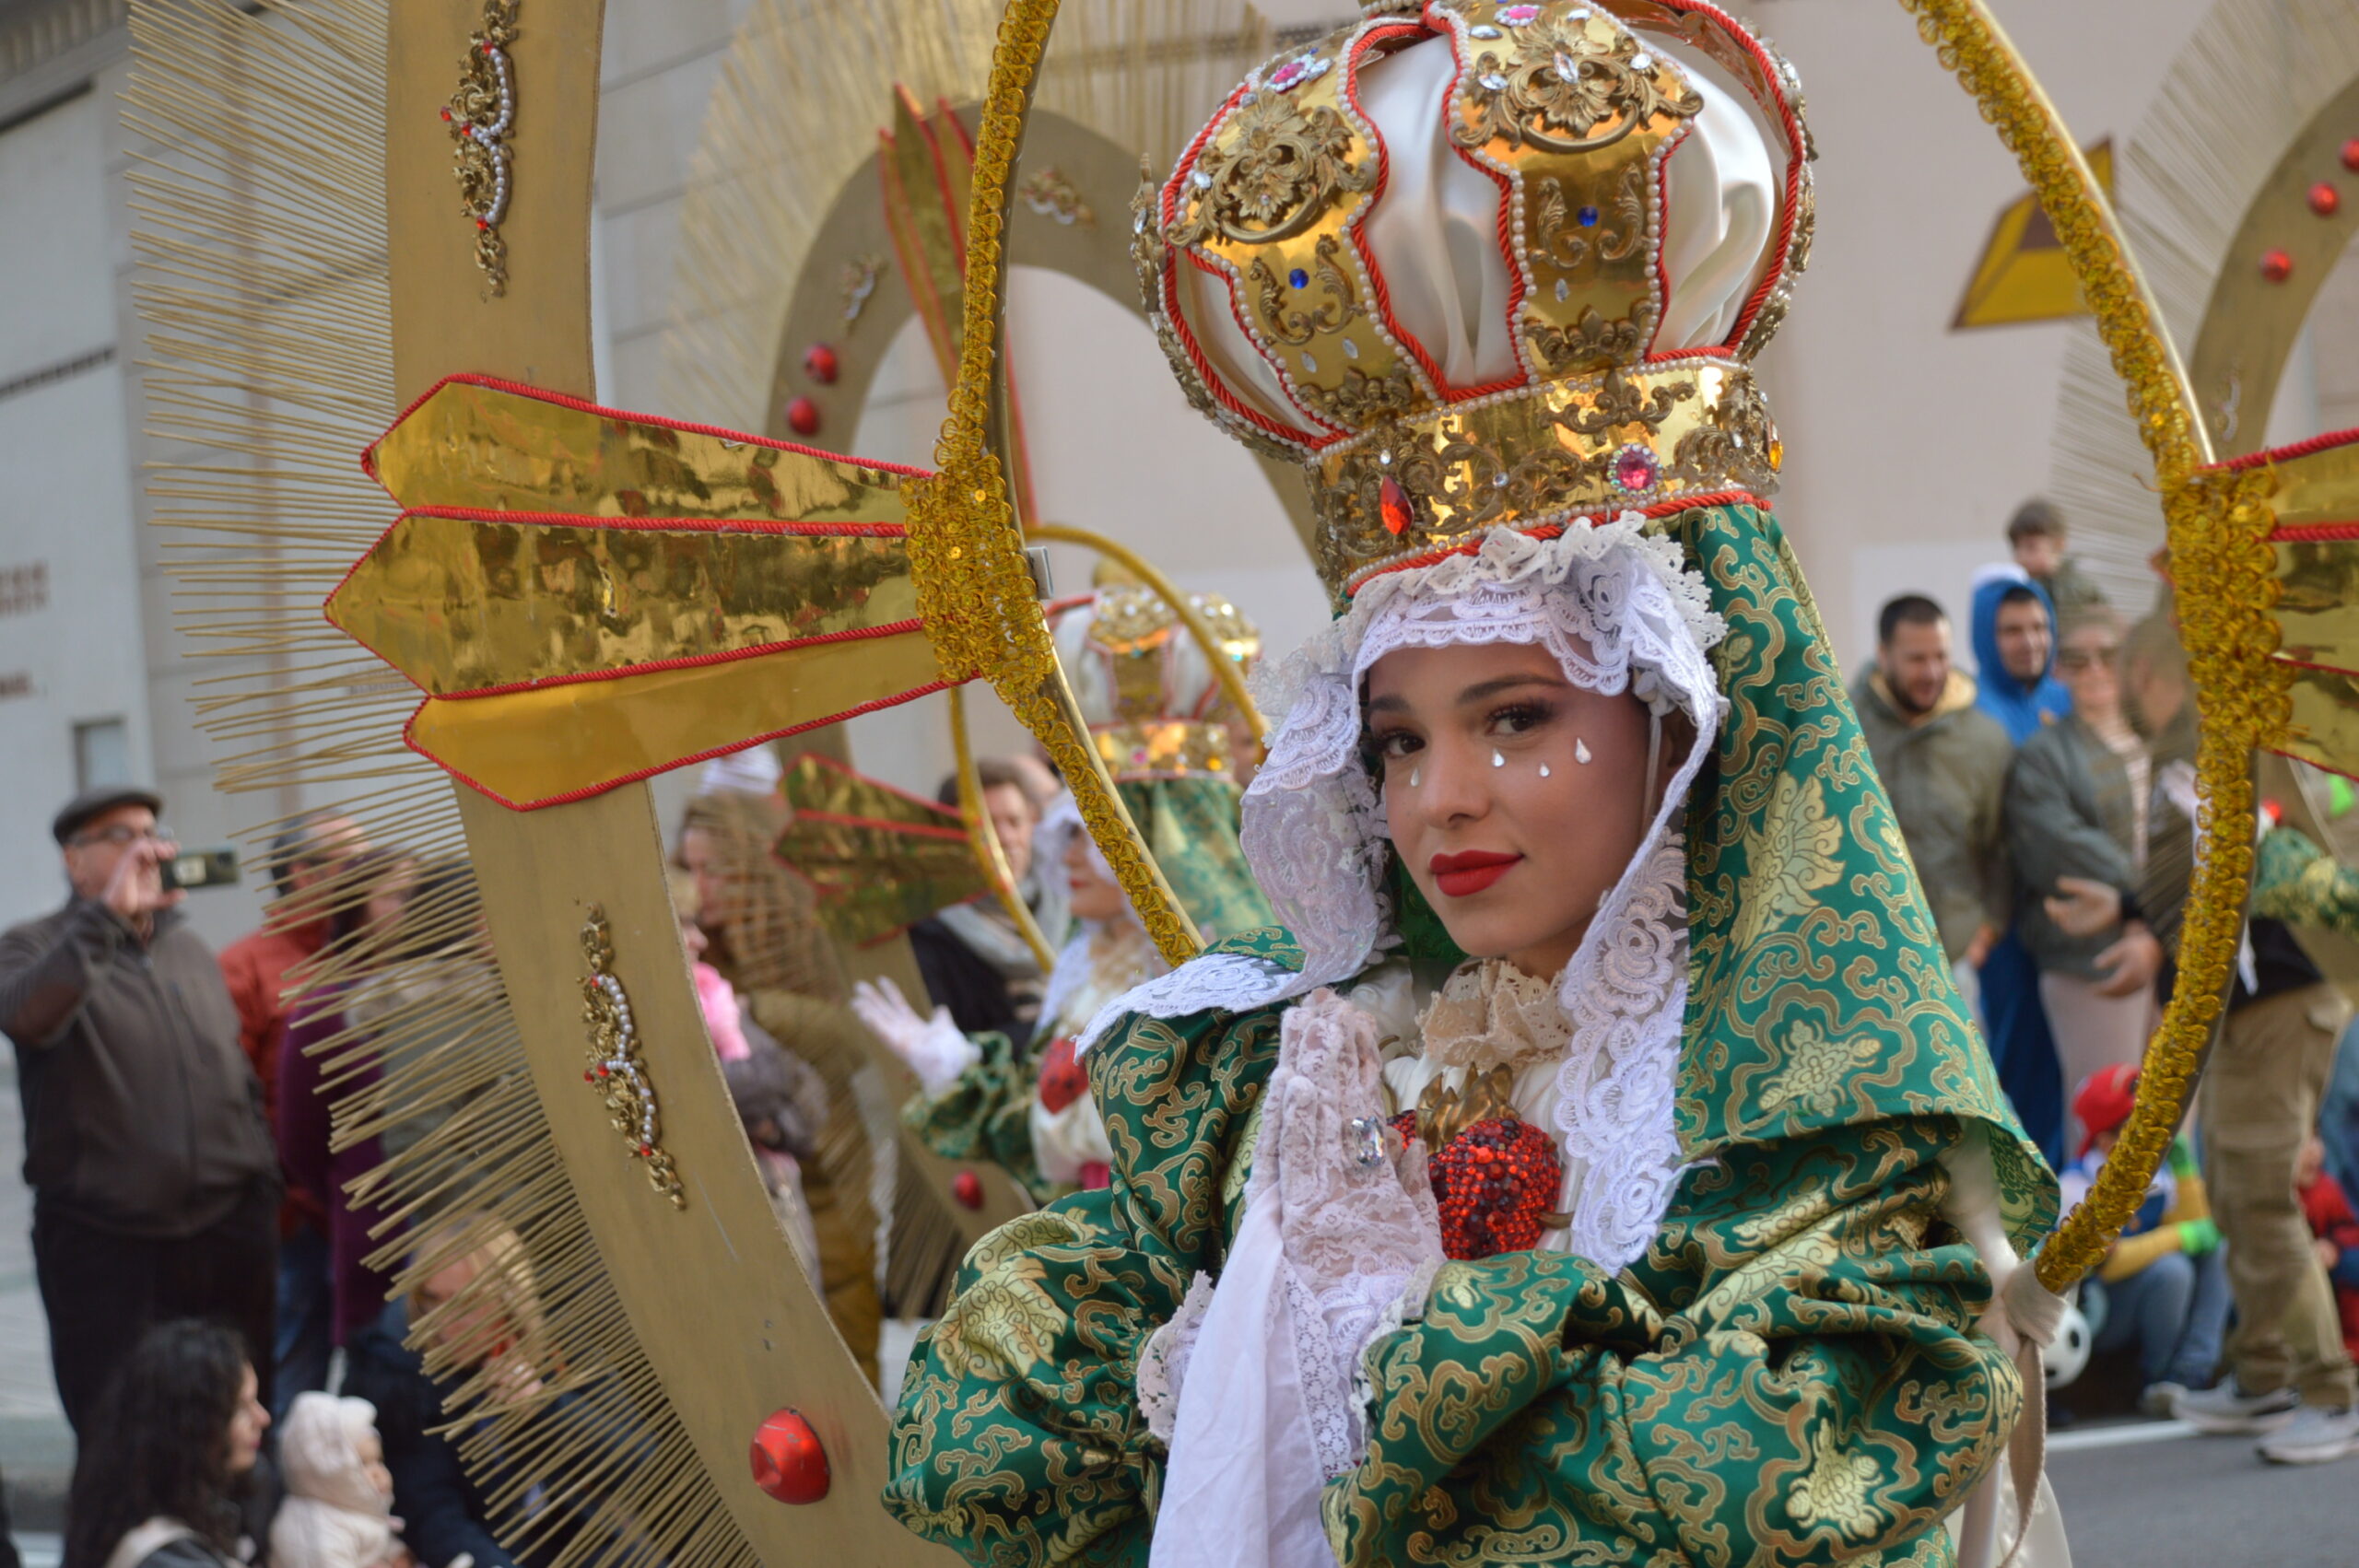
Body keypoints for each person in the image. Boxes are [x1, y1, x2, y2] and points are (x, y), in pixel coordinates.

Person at [886, 10, 2056, 1559]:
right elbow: (993, 1449)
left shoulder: (1818, 1135)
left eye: (1513, 718)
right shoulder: (1290, 1077)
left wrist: (1388, 1341)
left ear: (1675, 719)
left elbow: (1761, 1487)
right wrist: (1228, 1349)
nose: (1440, 797)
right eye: (1397, 739)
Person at [853, 586, 1274, 1203]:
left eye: (1087, 837)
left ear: (1151, 844)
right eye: (1068, 836)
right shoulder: (1092, 968)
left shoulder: (1226, 978)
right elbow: (1047, 1136)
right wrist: (957, 1071)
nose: (1067, 857)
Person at [2128, 617, 2359, 1461]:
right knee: (2228, 1185)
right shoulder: (2203, 726)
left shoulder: (2277, 711)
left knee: (2261, 1192)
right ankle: (2264, 1374)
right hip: (2232, 994)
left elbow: (2309, 846)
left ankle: (2331, 1392)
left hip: (2289, 986)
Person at [0, 787, 280, 1435]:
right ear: (76, 862)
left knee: (239, 1420)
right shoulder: (32, 944)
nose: (149, 849)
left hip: (227, 1230)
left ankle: (237, 1534)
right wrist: (105, 919)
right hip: (107, 1242)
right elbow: (28, 1017)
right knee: (119, 1427)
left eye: (153, 832)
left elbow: (233, 1071)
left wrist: (261, 1179)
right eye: (122, 837)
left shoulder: (186, 946)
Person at [677, 789, 885, 1382]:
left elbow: (854, 1038)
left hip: (830, 1164)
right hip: (750, 1178)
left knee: (845, 1329)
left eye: (713, 869)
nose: (702, 884)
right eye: (690, 868)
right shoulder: (689, 948)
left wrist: (754, 1011)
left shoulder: (805, 936)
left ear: (751, 866)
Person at [218, 813, 370, 1419]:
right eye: (350, 859)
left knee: (384, 1368)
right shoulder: (244, 967)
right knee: (291, 1378)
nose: (366, 871)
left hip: (374, 1212)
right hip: (295, 1223)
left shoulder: (370, 951)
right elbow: (230, 1097)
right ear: (303, 876)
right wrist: (285, 1202)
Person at [2004, 603, 2163, 1142]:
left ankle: (2177, 1228)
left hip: (2173, 948)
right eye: (2079, 659)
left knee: (2175, 1123)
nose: (2095, 669)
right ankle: (2102, 1231)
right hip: (2092, 960)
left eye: (2108, 657)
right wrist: (2160, 892)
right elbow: (2061, 849)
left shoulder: (2158, 737)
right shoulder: (2043, 757)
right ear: (2060, 670)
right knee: (2106, 1118)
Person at [276, 851, 428, 1364]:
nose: (415, 908)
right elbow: (301, 1145)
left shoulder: (459, 992)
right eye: (398, 896)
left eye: (421, 896)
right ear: (357, 911)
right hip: (378, 1239)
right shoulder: (324, 1013)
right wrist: (355, 1194)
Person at [1851, 593, 2012, 1008]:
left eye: (1941, 656)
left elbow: (2002, 848)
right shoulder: (1843, 731)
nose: (1933, 671)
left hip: (1956, 961)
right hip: (1865, 962)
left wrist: (1985, 932)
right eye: (1916, 659)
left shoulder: (1986, 740)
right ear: (1883, 655)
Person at [1968, 574, 2071, 1164]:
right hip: (2007, 929)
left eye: (2038, 626)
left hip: (2070, 923)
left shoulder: (2065, 702)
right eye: (2011, 630)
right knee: (2023, 1064)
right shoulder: (1972, 712)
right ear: (1987, 635)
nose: (2029, 641)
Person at [2059, 1065, 2228, 1413]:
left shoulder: (2158, 1176)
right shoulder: (2075, 1187)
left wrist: (2186, 1173)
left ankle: (2191, 1373)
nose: (2157, 1133)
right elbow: (2107, 1261)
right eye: (2140, 1125)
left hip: (2150, 1296)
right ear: (2107, 1141)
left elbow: (2204, 1236)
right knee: (2172, 1269)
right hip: (2101, 1312)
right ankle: (2157, 1378)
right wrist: (2178, 1237)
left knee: (2220, 1253)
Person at [61, 1319, 273, 1568]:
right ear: (193, 1427)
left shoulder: (130, 1508)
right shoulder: (165, 1556)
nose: (263, 1418)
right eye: (241, 1408)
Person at [906, 759, 1061, 1037]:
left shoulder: (1071, 905)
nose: (1004, 837)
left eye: (1015, 821)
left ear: (1031, 824)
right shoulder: (929, 934)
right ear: (951, 834)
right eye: (985, 825)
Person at [268, 1394, 404, 1568]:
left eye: (379, 1460)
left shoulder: (352, 1508)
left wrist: (397, 1554)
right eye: (363, 1463)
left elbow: (376, 1540)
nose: (379, 1473)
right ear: (323, 1469)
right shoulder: (317, 1532)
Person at [2296, 1135, 2359, 1367]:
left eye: (2317, 1140)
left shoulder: (2326, 1187)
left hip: (2328, 1269)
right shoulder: (2278, 1196)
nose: (2313, 1151)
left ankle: (2347, 1350)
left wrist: (2333, 1245)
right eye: (2304, 1143)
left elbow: (2349, 1227)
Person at [2005, 499, 2105, 614]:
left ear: (2058, 544)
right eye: (2017, 548)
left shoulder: (2078, 590)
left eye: (2031, 547)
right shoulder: (2017, 588)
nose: (2022, 557)